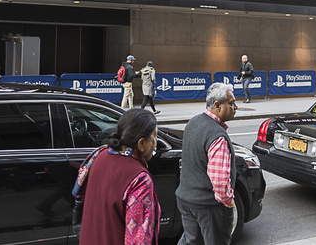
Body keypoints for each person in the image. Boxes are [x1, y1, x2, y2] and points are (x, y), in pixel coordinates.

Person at [76, 109, 160, 244]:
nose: (156, 141)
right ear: (141, 143)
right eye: (154, 136)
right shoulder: (140, 178)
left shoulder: (99, 155)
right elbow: (139, 239)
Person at [175, 83, 237, 245]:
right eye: (231, 103)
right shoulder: (217, 136)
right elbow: (220, 181)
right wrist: (229, 202)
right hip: (208, 206)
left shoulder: (194, 121)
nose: (235, 107)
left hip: (186, 199)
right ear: (217, 105)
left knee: (191, 241)